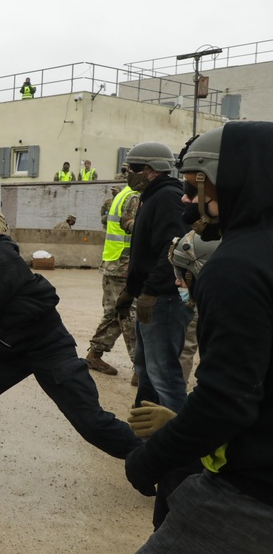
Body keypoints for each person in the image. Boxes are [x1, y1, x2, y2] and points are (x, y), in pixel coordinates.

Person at [124, 122, 273, 554]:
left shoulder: (236, 265)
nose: (186, 199)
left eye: (194, 186)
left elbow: (227, 399)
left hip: (257, 487)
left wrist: (150, 457)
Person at [0, 205, 141, 474]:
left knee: (90, 421)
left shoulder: (1, 258)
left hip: (46, 346)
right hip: (6, 349)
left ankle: (155, 458)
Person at [118, 141, 191, 413]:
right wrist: (133, 289)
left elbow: (173, 249)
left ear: (151, 169)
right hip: (153, 296)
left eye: (133, 168)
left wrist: (151, 291)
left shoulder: (168, 197)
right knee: (147, 370)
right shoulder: (153, 196)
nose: (129, 174)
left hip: (165, 300)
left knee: (164, 374)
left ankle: (177, 443)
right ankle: (146, 432)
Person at [84, 183, 140, 376]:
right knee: (129, 315)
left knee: (114, 314)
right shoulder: (134, 197)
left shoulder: (125, 194)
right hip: (123, 264)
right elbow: (137, 229)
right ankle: (141, 368)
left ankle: (95, 354)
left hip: (114, 261)